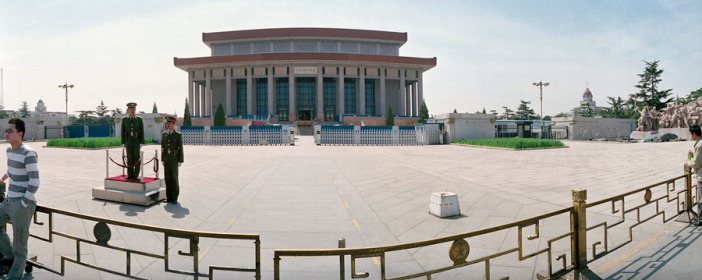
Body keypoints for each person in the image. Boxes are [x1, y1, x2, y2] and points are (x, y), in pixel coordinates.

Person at [0, 118, 39, 279]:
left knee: (20, 245)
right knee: (15, 248)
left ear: (20, 134)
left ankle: (14, 276)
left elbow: (35, 182)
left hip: (21, 204)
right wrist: (2, 178)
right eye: (6, 130)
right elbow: (11, 169)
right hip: (8, 201)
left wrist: (24, 203)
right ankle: (10, 257)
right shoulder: (9, 151)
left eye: (10, 130)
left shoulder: (28, 153)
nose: (6, 133)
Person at [161, 116, 183, 204]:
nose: (168, 124)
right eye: (167, 123)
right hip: (166, 158)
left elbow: (180, 148)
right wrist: (162, 159)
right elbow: (162, 148)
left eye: (170, 123)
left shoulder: (177, 135)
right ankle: (168, 197)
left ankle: (174, 197)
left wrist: (180, 160)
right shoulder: (164, 134)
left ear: (173, 124)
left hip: (174, 158)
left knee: (174, 178)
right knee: (167, 178)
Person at [121, 102, 144, 180]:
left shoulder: (139, 119)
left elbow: (142, 131)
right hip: (128, 141)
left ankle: (136, 175)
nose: (132, 110)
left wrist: (141, 142)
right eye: (131, 109)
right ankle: (130, 174)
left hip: (136, 141)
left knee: (136, 158)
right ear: (128, 110)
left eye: (134, 109)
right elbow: (122, 131)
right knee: (129, 158)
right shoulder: (124, 120)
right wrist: (123, 142)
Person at [686, 124, 702, 226]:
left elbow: (697, 162)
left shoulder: (700, 144)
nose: (690, 136)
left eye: (690, 134)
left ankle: (701, 219)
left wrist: (688, 162)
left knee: (701, 199)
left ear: (694, 134)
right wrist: (694, 154)